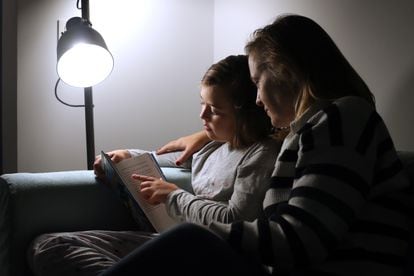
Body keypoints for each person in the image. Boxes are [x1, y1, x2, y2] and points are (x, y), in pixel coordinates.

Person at [100, 14, 413, 276]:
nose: (258, 99)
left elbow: (301, 242)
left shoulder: (343, 118)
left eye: (256, 83)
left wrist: (207, 232)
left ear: (286, 73)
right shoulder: (304, 132)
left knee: (188, 240)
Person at [27, 55, 283, 276]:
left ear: (246, 114)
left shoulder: (261, 154)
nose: (202, 116)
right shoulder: (212, 144)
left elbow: (237, 220)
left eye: (214, 110)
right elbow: (165, 158)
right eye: (202, 104)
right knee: (48, 246)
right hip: (174, 242)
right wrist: (126, 156)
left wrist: (173, 196)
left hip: (209, 253)